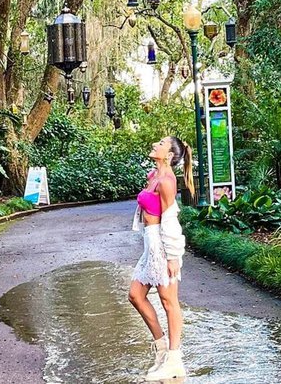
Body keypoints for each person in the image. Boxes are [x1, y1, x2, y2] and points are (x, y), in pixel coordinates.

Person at [128, 136, 192, 381]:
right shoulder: (153, 175)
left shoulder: (166, 181)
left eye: (161, 143)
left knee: (169, 301)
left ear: (169, 154)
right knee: (135, 295)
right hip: (149, 243)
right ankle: (161, 348)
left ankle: (175, 360)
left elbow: (170, 219)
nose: (155, 143)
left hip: (162, 245)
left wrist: (173, 256)